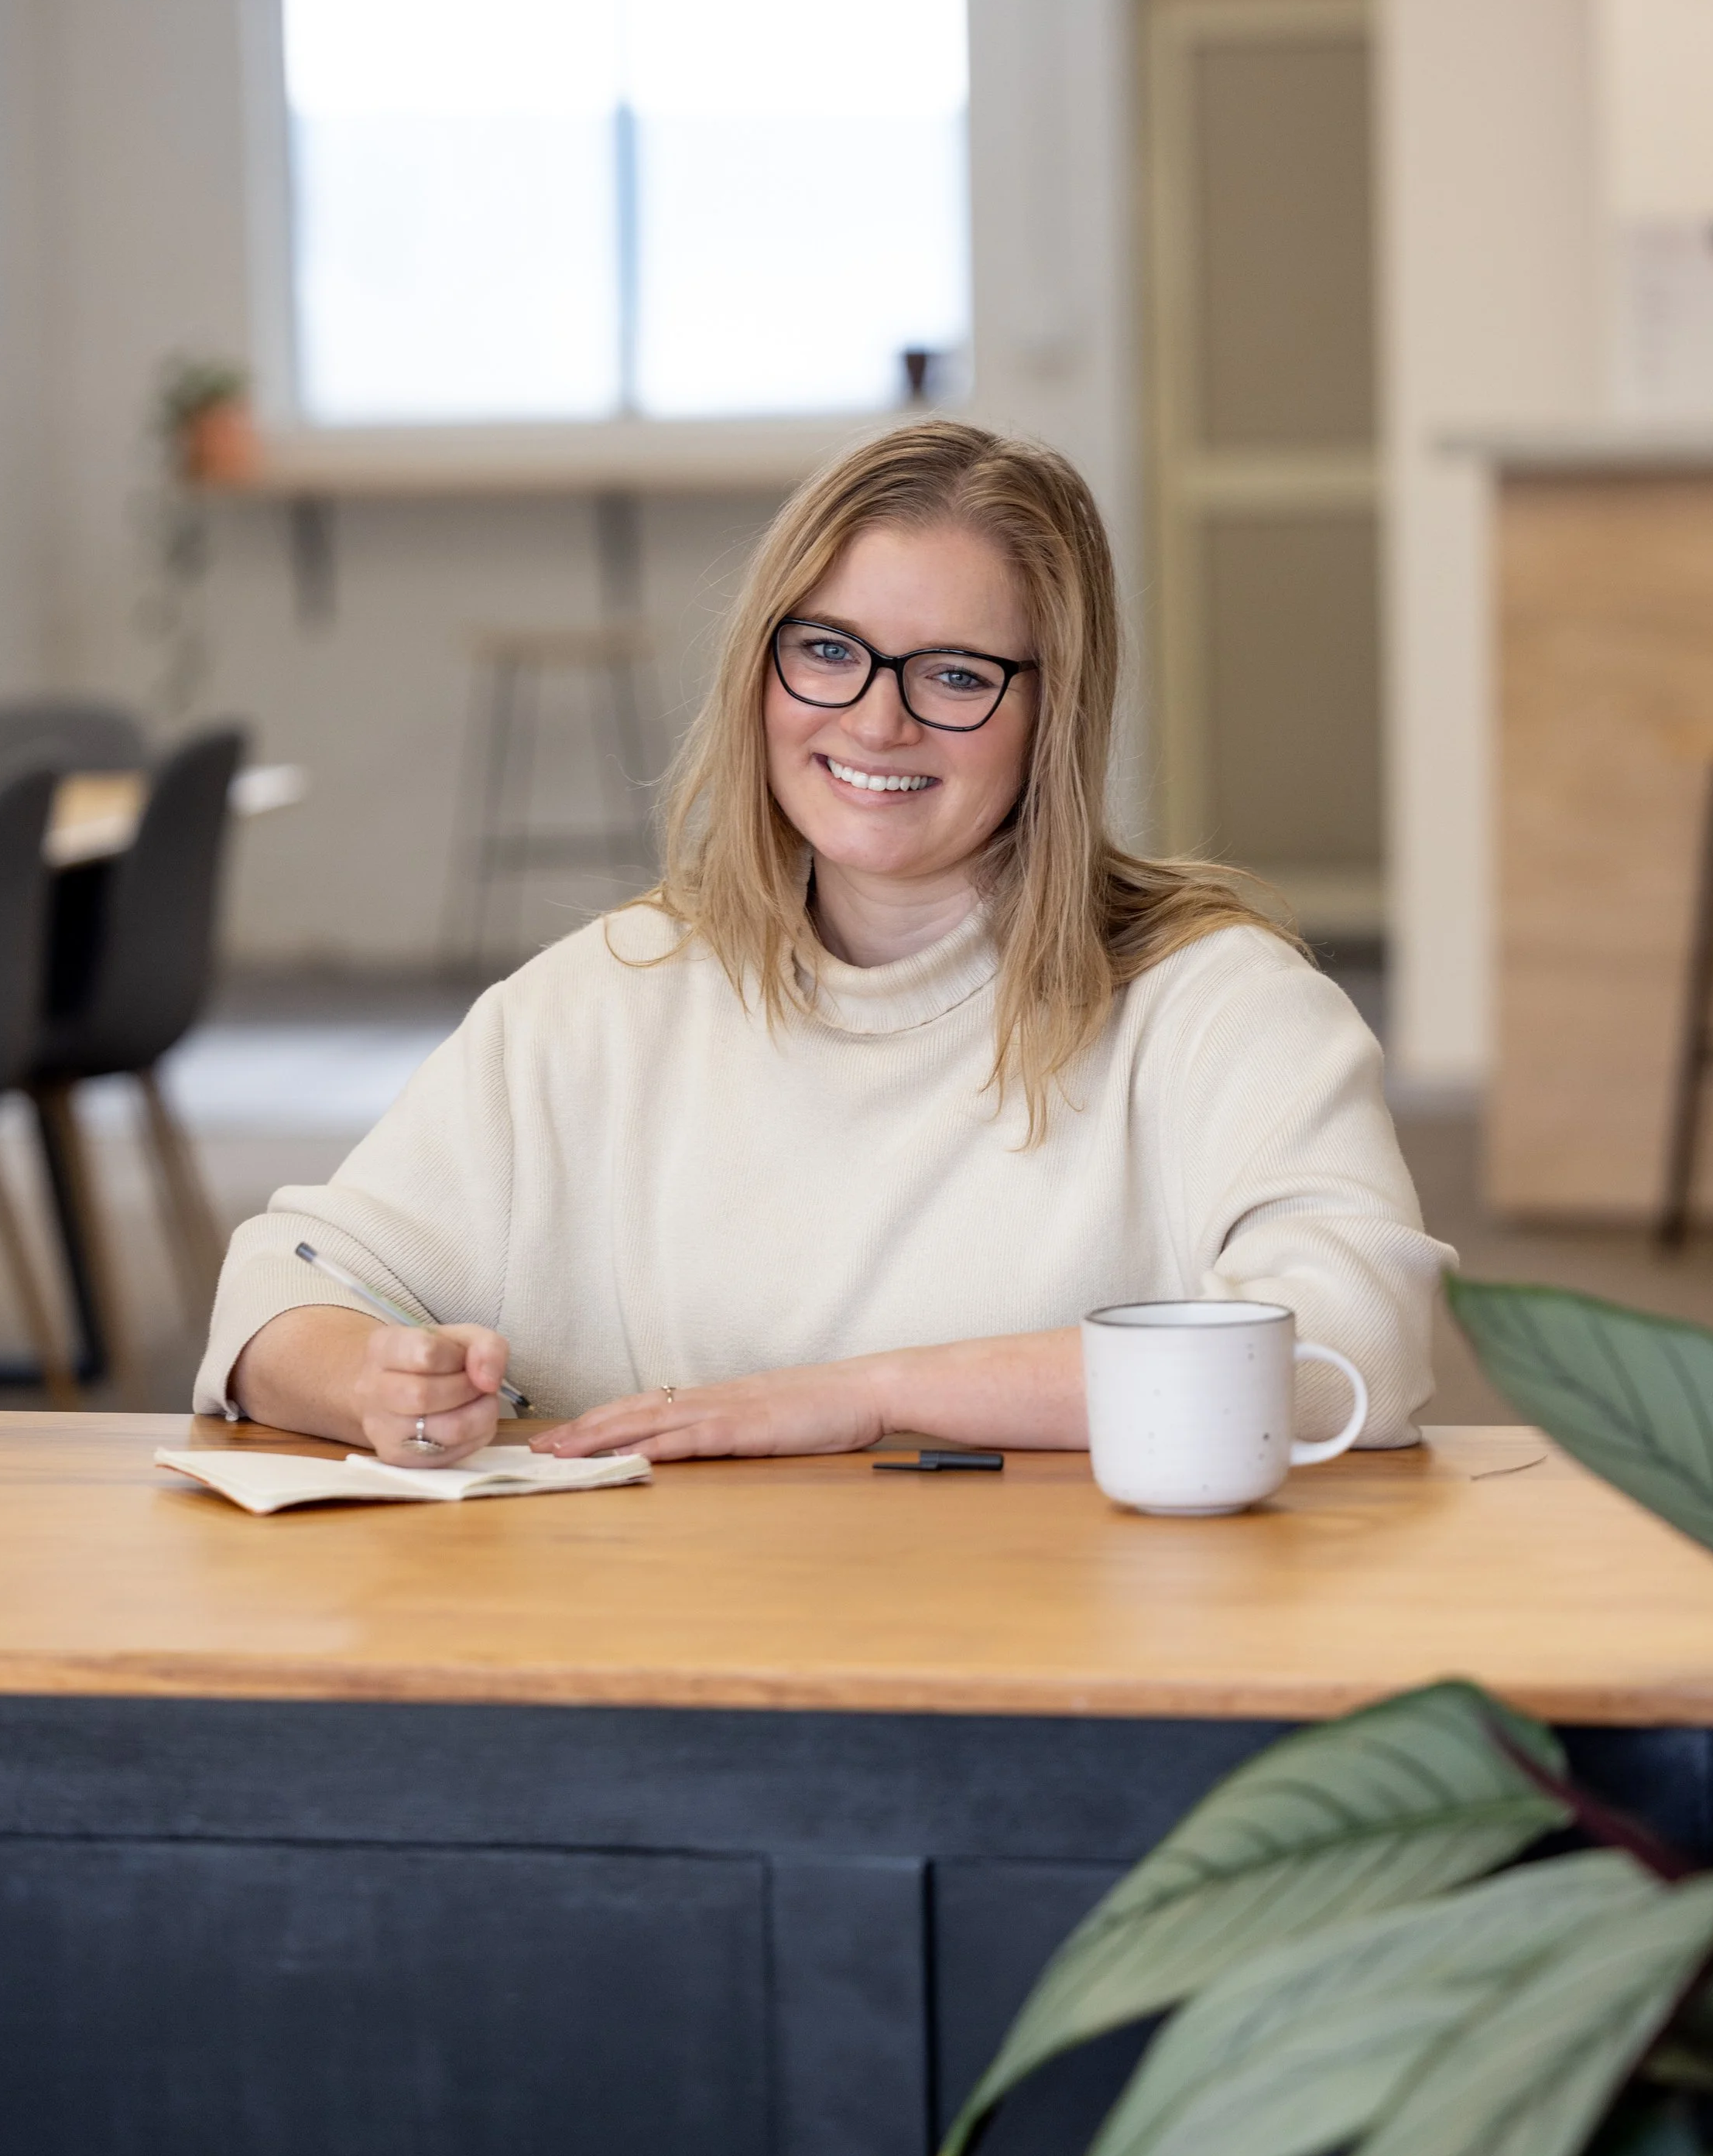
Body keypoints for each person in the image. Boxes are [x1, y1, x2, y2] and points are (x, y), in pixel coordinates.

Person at [198, 420, 1449, 1464]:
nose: (877, 720)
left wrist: (867, 1395)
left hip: (1073, 1663)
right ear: (762, 673)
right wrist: (371, 1381)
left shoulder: (1215, 1002)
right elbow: (281, 1283)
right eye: (830, 653)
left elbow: (1354, 1352)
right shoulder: (611, 997)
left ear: (1052, 711)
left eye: (954, 675)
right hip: (671, 1673)